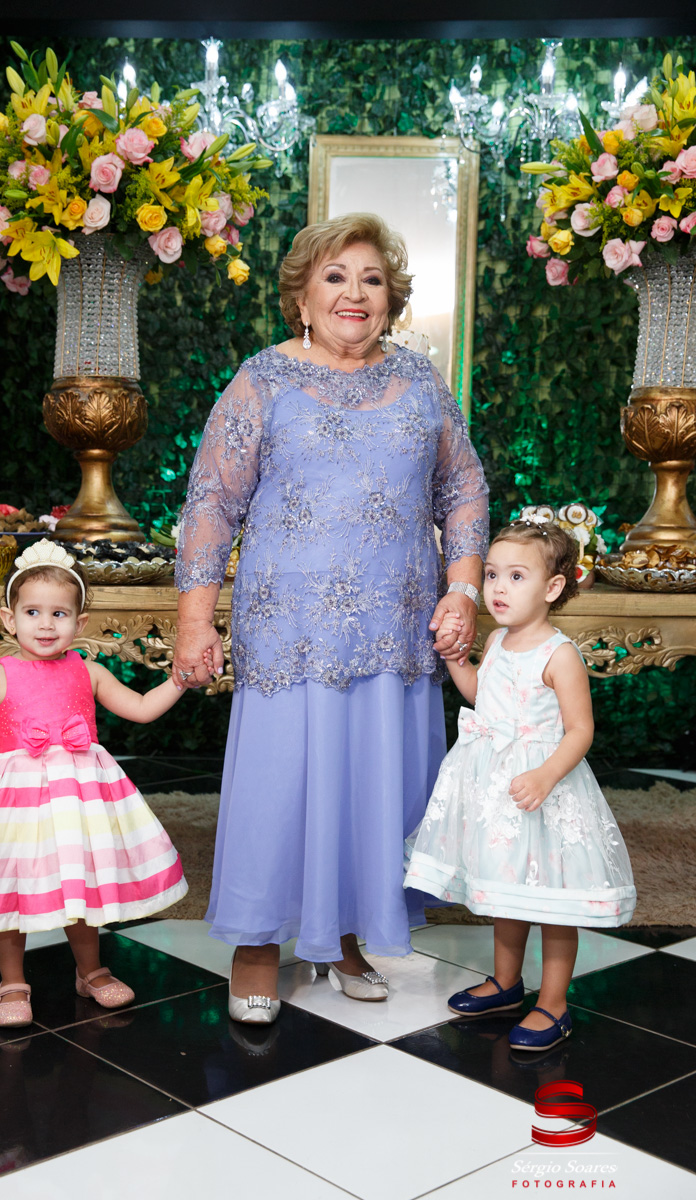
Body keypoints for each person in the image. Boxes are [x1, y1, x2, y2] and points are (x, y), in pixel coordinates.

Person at [173, 212, 489, 1024]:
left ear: (392, 299)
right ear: (303, 297)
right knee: (281, 787)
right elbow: (211, 502)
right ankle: (256, 946)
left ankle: (346, 936)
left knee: (372, 788)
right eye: (337, 277)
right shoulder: (263, 380)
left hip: (396, 627)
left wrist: (461, 590)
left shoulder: (421, 382)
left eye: (372, 279)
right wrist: (195, 620)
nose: (356, 293)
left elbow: (463, 489)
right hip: (291, 628)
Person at [405, 519, 636, 1051]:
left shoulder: (559, 654)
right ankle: (506, 983)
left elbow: (580, 731)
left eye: (515, 576)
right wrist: (460, 663)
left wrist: (545, 774)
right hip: (498, 793)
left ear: (552, 588)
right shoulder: (498, 640)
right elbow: (482, 695)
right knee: (506, 890)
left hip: (544, 791)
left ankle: (553, 1004)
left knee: (551, 902)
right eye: (491, 575)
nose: (498, 588)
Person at [0, 539, 189, 1027]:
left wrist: (180, 679)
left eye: (59, 614)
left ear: (79, 623)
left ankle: (90, 970)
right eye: (32, 612)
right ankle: (12, 980)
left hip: (78, 798)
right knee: (11, 884)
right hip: (17, 803)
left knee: (80, 882)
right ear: (9, 619)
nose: (46, 624)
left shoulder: (89, 672)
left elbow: (141, 708)